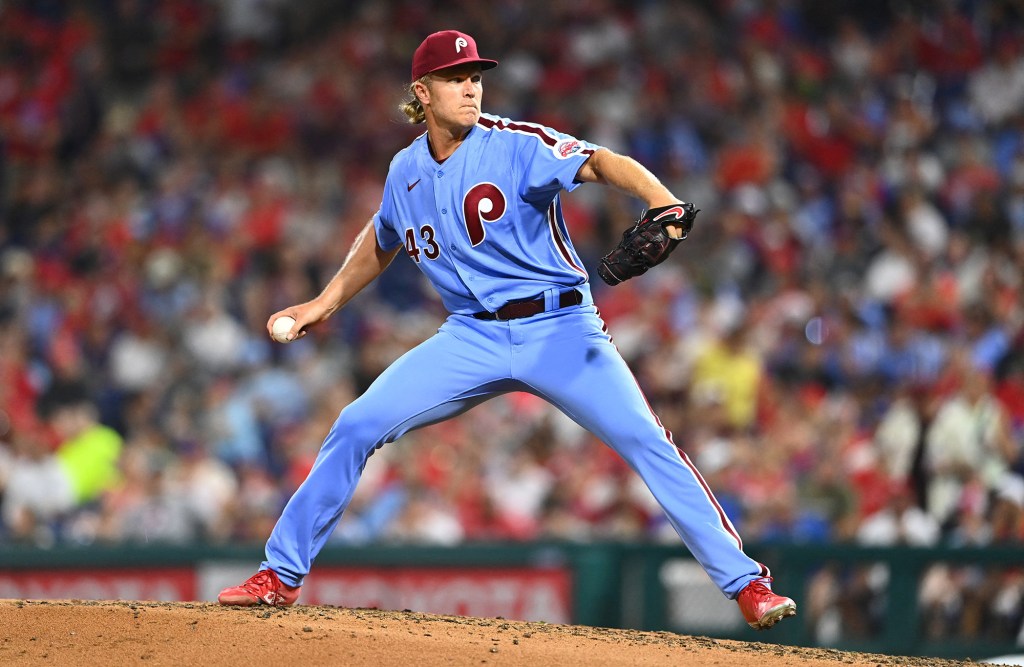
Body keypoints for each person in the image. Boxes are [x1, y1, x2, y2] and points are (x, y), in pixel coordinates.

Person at [218, 29, 796, 630]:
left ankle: (747, 583)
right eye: (455, 79)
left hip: (561, 327)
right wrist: (325, 300)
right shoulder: (406, 170)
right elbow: (383, 235)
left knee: (648, 442)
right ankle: (279, 576)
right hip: (471, 336)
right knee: (357, 423)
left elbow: (600, 161)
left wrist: (664, 201)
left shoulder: (515, 143)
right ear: (423, 91)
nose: (471, 88)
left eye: (475, 77)